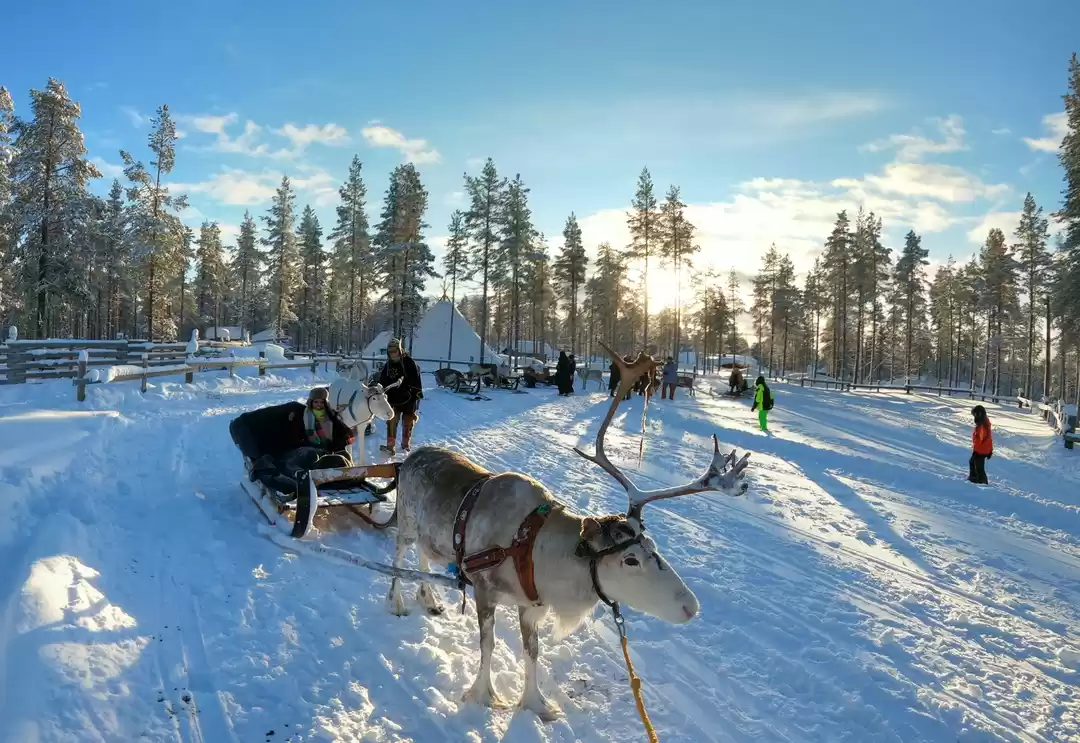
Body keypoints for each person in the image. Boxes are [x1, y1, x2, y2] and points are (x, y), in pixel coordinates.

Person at [230, 381, 361, 497]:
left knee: (342, 456)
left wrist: (340, 440)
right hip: (305, 451)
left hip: (324, 450)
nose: (319, 405)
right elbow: (292, 435)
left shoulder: (331, 416)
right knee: (309, 456)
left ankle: (345, 477)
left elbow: (344, 432)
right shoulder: (301, 414)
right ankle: (306, 482)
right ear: (311, 402)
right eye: (316, 402)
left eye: (321, 402)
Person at [379, 338, 423, 454]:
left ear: (399, 350)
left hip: (408, 398)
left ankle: (405, 444)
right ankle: (390, 445)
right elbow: (383, 380)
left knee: (408, 422)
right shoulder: (388, 365)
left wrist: (415, 397)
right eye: (390, 352)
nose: (393, 354)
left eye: (395, 351)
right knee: (392, 419)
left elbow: (416, 381)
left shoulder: (409, 362)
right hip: (393, 399)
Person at [969, 405, 993, 484]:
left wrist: (977, 452)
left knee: (979, 468)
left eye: (974, 415)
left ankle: (982, 482)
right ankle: (973, 477)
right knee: (972, 462)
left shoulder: (982, 426)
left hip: (981, 451)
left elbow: (983, 439)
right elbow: (989, 438)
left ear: (978, 415)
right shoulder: (983, 423)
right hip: (981, 449)